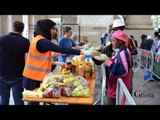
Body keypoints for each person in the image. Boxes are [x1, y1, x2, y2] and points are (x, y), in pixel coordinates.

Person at [22, 19, 91, 105]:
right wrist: (82, 52)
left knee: (38, 100)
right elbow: (60, 49)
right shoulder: (41, 41)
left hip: (36, 76)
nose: (54, 31)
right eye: (52, 29)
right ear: (46, 29)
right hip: (32, 78)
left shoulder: (39, 40)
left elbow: (44, 59)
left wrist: (58, 63)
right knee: (32, 103)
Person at [93, 30, 132, 105]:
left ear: (120, 41)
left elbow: (122, 71)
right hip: (115, 88)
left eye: (113, 41)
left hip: (118, 90)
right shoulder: (122, 51)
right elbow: (119, 63)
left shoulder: (123, 53)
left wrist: (108, 61)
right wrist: (109, 59)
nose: (112, 43)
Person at [0, 21, 30, 105]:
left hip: (2, 74)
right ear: (22, 30)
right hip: (18, 75)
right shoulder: (25, 41)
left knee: (4, 99)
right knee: (18, 100)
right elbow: (27, 59)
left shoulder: (1, 39)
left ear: (12, 28)